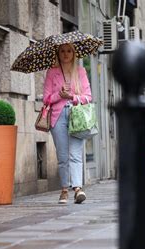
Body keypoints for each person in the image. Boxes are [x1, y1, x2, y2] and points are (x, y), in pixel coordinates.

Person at [43, 43, 92, 204]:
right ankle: (64, 189)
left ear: (74, 53)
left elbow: (88, 97)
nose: (66, 54)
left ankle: (77, 188)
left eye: (69, 51)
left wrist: (72, 97)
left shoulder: (81, 71)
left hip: (76, 116)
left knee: (75, 154)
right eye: (62, 51)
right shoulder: (52, 72)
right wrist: (59, 94)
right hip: (57, 117)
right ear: (58, 53)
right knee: (63, 156)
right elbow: (46, 99)